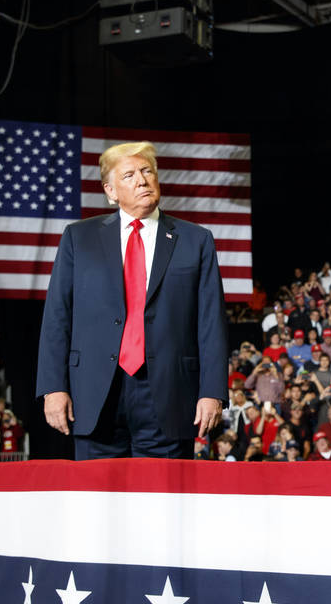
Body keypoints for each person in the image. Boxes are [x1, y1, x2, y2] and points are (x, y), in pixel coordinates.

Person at [37, 141, 228, 460]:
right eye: (129, 175)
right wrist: (53, 387)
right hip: (96, 393)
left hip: (169, 394)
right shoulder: (78, 238)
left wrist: (212, 392)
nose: (142, 180)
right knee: (98, 502)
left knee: (161, 503)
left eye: (147, 171)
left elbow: (211, 323)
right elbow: (58, 316)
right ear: (110, 191)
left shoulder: (196, 240)